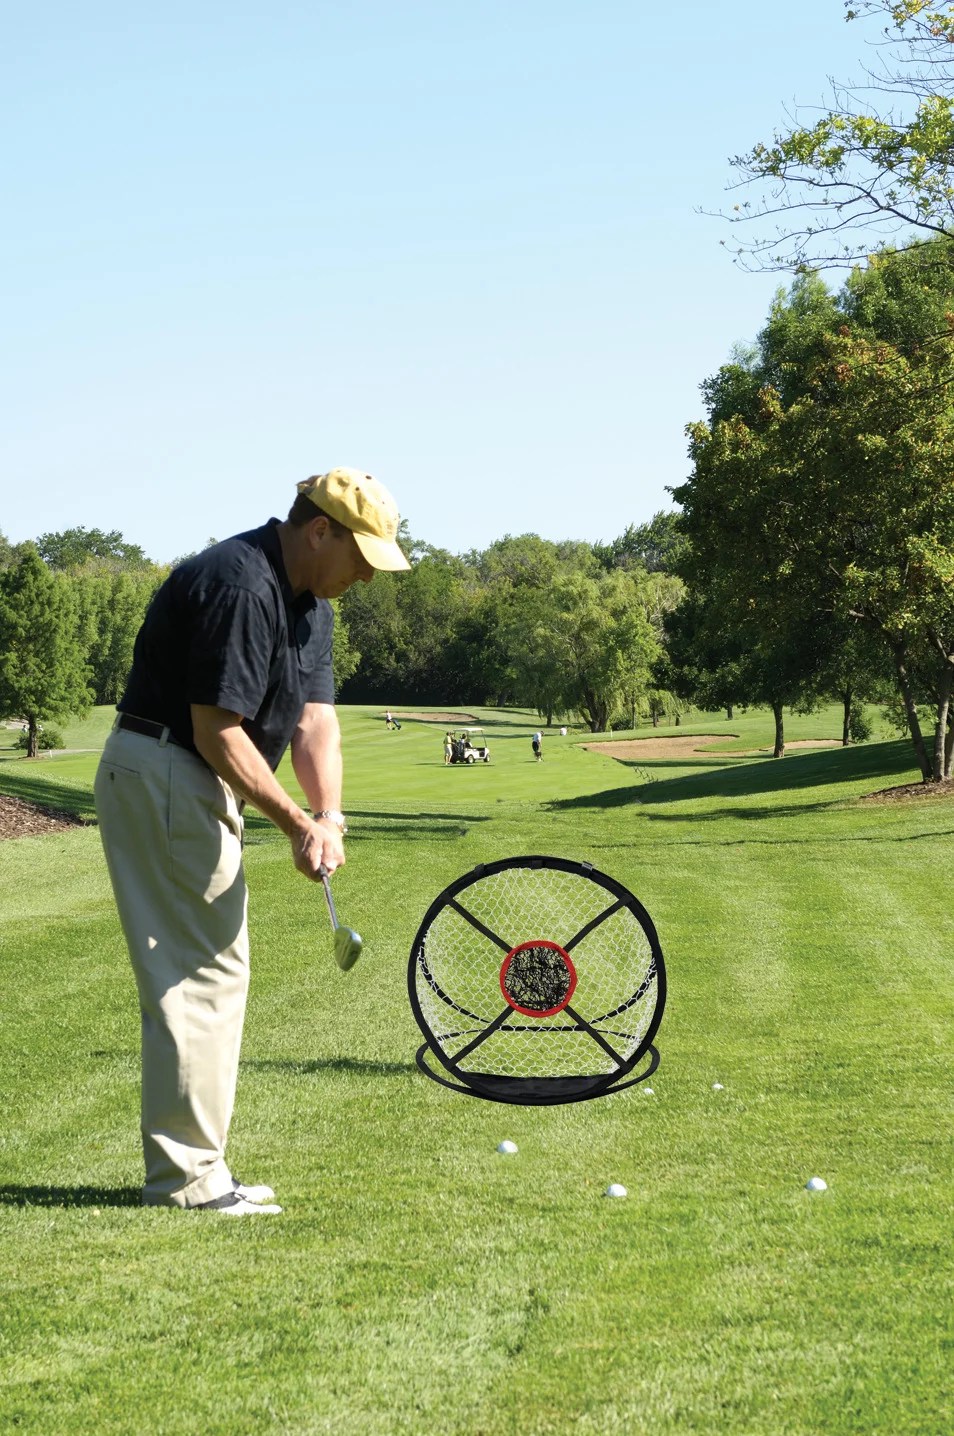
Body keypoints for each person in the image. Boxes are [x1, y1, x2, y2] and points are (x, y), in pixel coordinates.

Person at [94, 467, 410, 1216]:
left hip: (187, 775)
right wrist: (293, 822)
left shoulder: (311, 606)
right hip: (169, 766)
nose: (365, 575)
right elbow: (217, 731)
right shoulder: (241, 585)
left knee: (213, 972)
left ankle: (200, 1170)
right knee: (198, 975)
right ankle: (189, 1182)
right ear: (318, 529)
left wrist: (328, 816)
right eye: (360, 554)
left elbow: (313, 722)